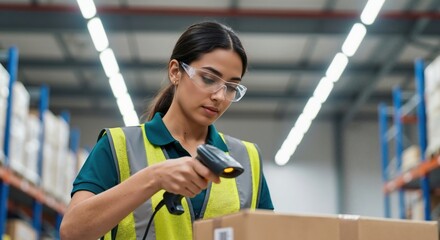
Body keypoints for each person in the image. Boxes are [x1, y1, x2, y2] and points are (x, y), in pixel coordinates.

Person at [60, 21, 274, 240]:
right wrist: (155, 177)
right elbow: (72, 231)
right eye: (208, 79)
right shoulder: (119, 145)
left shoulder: (247, 160)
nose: (219, 96)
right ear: (175, 72)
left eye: (231, 87)